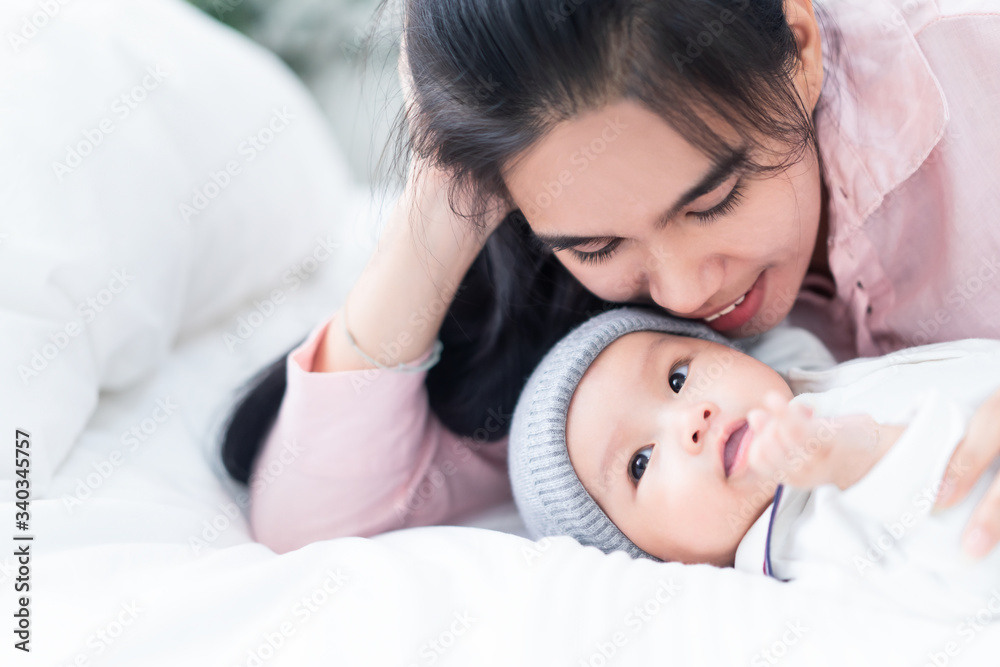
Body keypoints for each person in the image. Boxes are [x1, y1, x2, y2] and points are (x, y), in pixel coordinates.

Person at [222, 0, 1000, 556]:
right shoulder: (597, 345)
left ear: (798, 49)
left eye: (714, 199)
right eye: (595, 245)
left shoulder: (973, 56)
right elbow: (312, 525)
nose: (686, 295)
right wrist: (442, 209)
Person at [508, 307, 1000, 617]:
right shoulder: (792, 552)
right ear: (652, 558)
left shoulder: (808, 381)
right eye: (640, 463)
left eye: (678, 378)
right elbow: (970, 562)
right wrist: (854, 459)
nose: (691, 419)